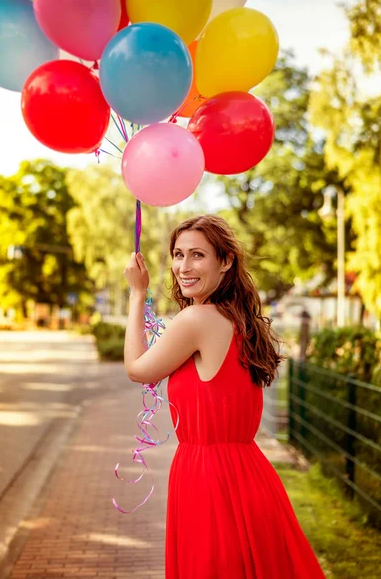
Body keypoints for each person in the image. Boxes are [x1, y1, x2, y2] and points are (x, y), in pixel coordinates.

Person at [123, 214, 326, 579]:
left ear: (226, 261)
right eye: (178, 254)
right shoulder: (239, 320)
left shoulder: (196, 320)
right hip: (249, 471)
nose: (184, 266)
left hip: (209, 478)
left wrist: (138, 295)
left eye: (198, 255)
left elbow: (138, 369)